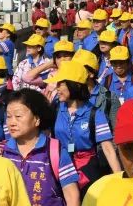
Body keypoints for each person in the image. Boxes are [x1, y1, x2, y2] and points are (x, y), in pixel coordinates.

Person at [49, 59, 121, 189]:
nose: (57, 88)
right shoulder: (56, 108)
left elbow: (107, 147)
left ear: (74, 85)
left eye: (61, 84)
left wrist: (119, 179)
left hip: (87, 170)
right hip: (61, 166)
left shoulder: (95, 114)